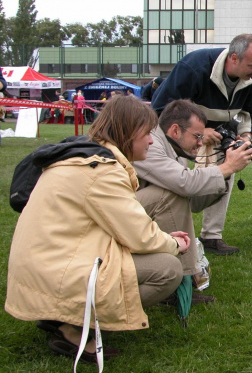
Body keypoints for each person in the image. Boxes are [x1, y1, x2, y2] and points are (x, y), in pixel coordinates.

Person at [5, 97, 191, 363]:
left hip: (43, 266)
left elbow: (124, 224)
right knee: (167, 270)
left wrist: (161, 237)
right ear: (128, 133)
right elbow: (137, 235)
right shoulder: (102, 170)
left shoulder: (85, 155)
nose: (151, 141)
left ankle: (61, 314)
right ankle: (73, 325)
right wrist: (174, 245)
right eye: (147, 133)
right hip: (53, 271)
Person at [150, 33, 252, 255]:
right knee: (177, 182)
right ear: (233, 58)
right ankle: (173, 234)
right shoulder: (193, 68)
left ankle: (212, 236)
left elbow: (251, 113)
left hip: (221, 134)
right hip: (179, 135)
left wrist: (246, 137)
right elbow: (161, 108)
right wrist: (199, 133)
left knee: (228, 169)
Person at [133, 99, 252, 297]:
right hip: (113, 219)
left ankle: (183, 277)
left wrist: (224, 174)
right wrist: (227, 167)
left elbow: (191, 202)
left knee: (172, 194)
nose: (200, 142)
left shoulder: (174, 148)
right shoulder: (152, 145)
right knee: (168, 194)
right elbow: (184, 184)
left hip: (128, 213)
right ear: (175, 130)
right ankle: (185, 278)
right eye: (197, 136)